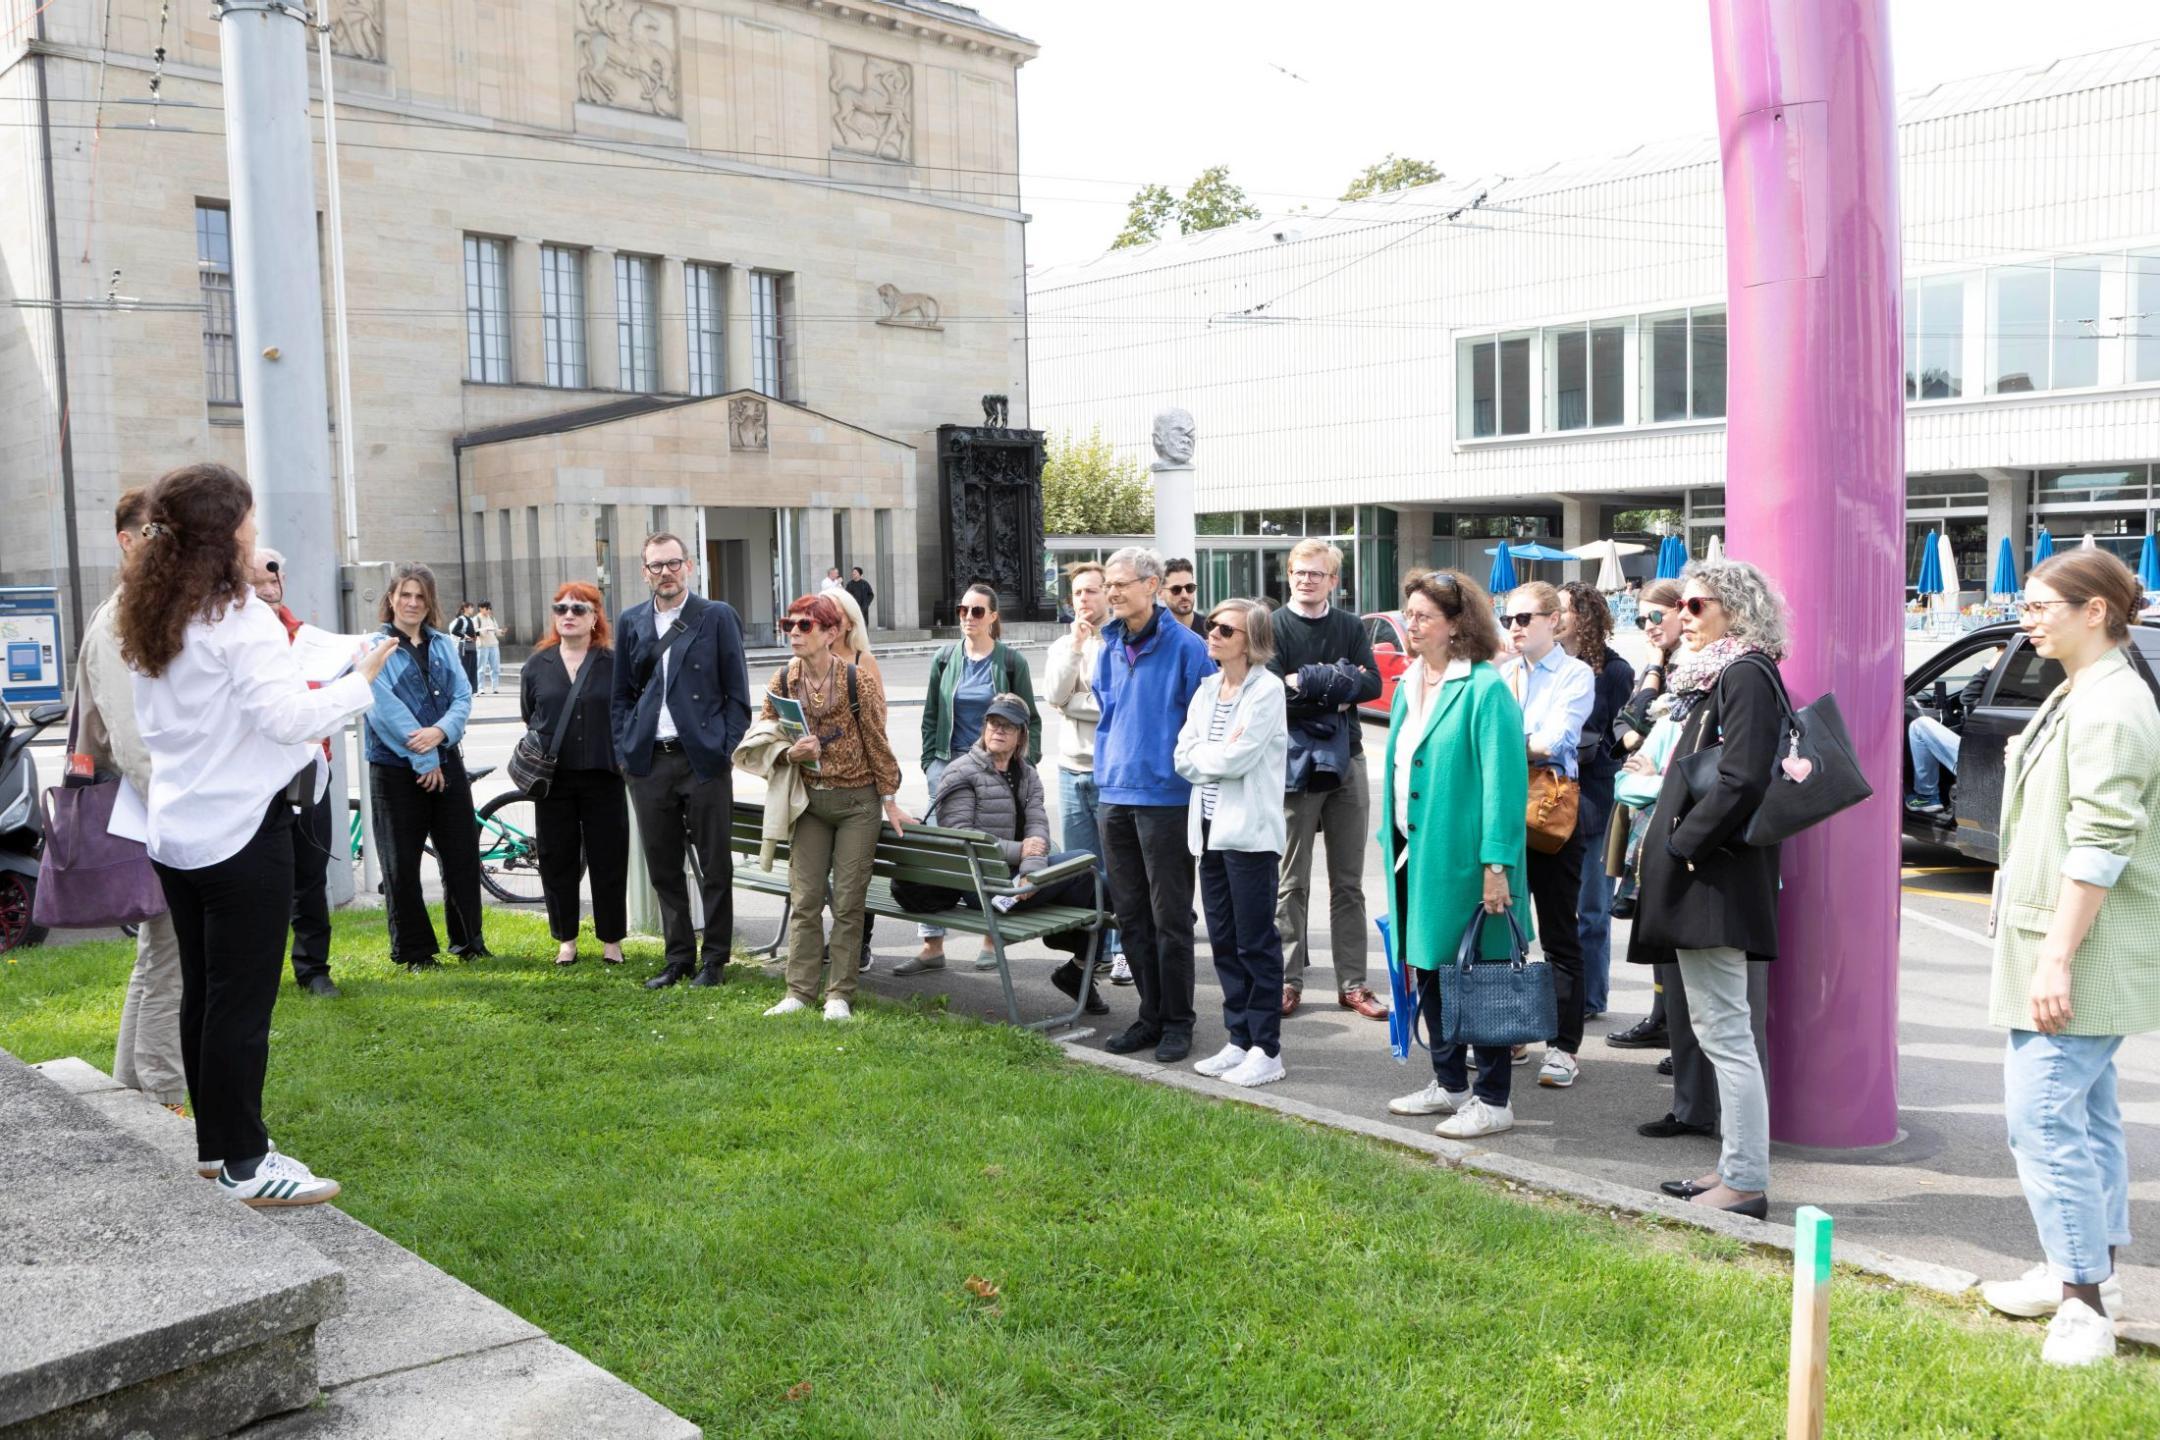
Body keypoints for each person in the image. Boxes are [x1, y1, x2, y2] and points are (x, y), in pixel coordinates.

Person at [119, 462, 388, 1206]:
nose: (256, 531)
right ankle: (243, 1163)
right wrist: (361, 679)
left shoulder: (153, 608)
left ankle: (219, 1147)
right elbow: (287, 719)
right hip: (241, 831)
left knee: (206, 994)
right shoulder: (238, 617)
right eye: (248, 519)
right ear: (224, 531)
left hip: (179, 831)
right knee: (240, 1004)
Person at [1979, 550, 2160, 1367]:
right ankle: (2086, 1276)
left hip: (2077, 946)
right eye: (2025, 605)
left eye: (2040, 605)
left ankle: (2083, 1305)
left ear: (2096, 611)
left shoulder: (2110, 704)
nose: (2027, 620)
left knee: (2045, 1117)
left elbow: (2101, 841)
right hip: (2066, 939)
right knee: (2084, 1114)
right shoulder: (2086, 686)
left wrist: (2056, 959)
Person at [1628, 559, 1790, 1220]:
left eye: (1696, 605)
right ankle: (1733, 1168)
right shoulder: (1718, 673)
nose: (1682, 616)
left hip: (1714, 878)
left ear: (1736, 610)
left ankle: (1745, 1180)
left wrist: (1682, 844)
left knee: (1726, 1032)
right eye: (1682, 605)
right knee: (1719, 1027)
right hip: (1709, 876)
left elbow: (1742, 778)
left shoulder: (1744, 672)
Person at [1379, 570, 1532, 1139]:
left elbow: (1504, 785)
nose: (1411, 625)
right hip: (1416, 854)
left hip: (1468, 862)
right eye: (1409, 614)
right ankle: (1450, 1084)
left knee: (1482, 979)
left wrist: (1497, 866)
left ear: (1456, 625)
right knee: (1430, 969)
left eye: (1424, 617)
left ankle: (1493, 1100)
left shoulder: (1484, 688)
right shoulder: (1411, 679)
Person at [79, 488, 186, 1105]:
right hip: (148, 810)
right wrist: (178, 809)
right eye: (156, 534)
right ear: (127, 541)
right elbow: (129, 738)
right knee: (171, 959)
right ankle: (165, 1095)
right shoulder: (121, 617)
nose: (169, 546)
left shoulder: (133, 609)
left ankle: (130, 1089)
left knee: (158, 954)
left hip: (150, 807)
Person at [612, 532, 754, 990]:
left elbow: (738, 696)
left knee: (715, 866)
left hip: (702, 760)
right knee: (664, 867)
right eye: (656, 565)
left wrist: (721, 747)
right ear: (645, 572)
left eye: (673, 563)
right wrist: (625, 752)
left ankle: (714, 960)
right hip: (649, 762)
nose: (666, 572)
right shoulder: (631, 621)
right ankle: (678, 958)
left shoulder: (716, 616)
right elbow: (621, 696)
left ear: (689, 566)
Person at [897, 694, 1106, 1004]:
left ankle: (1078, 969)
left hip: (1017, 882)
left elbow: (1038, 828)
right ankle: (1078, 968)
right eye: (993, 723)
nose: (998, 730)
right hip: (981, 886)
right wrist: (1019, 852)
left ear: (1021, 735)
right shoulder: (961, 772)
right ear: (984, 728)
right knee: (1089, 870)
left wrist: (1031, 872)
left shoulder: (1027, 774)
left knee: (1101, 886)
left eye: (1008, 726)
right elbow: (960, 837)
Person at [757, 594, 907, 1022]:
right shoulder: (783, 679)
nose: (794, 632)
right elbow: (764, 735)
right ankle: (798, 992)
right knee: (804, 899)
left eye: (805, 625)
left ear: (831, 632)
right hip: (809, 803)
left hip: (857, 803)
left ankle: (839, 994)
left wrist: (890, 799)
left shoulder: (858, 680)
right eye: (789, 624)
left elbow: (878, 743)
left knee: (848, 901)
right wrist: (791, 753)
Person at [1094, 546, 1215, 1062]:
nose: (1112, 592)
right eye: (1108, 584)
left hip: (1167, 798)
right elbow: (1107, 712)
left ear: (1151, 586)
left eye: (1120, 583)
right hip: (1113, 794)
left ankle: (1178, 1022)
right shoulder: (1106, 646)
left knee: (1171, 919)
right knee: (1131, 917)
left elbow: (1204, 723)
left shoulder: (1188, 647)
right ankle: (1149, 1016)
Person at [1270, 538, 1388, 1021]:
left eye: (1316, 573)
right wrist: (1337, 686)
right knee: (1291, 880)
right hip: (1293, 761)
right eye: (1300, 571)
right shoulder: (1272, 625)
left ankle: (1353, 984)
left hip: (1348, 759)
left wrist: (1305, 681)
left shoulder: (1349, 626)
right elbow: (1273, 693)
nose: (1307, 580)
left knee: (1349, 882)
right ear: (1289, 575)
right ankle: (1286, 980)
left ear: (1333, 581)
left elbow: (1372, 684)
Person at [1176, 598, 1290, 1088]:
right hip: (1207, 831)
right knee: (1223, 941)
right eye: (1212, 625)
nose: (1213, 633)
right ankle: (1239, 1039)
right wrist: (1213, 752)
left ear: (1251, 641)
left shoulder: (1267, 690)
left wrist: (1210, 753)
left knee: (1255, 942)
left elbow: (1239, 759)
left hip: (1248, 835)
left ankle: (1267, 1048)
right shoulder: (1207, 689)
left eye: (1226, 629)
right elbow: (1182, 755)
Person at [901, 581, 1040, 974]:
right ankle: (932, 945)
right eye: (963, 610)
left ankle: (991, 938)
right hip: (948, 771)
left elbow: (1031, 720)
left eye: (977, 611)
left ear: (993, 616)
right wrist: (931, 762)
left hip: (995, 771)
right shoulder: (945, 658)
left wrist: (1022, 765)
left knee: (990, 854)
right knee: (937, 856)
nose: (968, 617)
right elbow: (931, 715)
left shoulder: (1011, 662)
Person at [366, 564, 489, 973]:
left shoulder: (442, 644)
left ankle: (469, 942)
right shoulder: (376, 647)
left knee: (461, 855)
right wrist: (424, 757)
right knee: (401, 863)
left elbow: (462, 697)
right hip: (395, 770)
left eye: (420, 596)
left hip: (446, 760)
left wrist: (440, 733)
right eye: (405, 594)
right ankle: (415, 952)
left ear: (430, 602)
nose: (413, 603)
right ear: (391, 598)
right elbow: (383, 709)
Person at [1498, 581, 1595, 1090]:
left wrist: (1503, 744)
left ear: (1553, 620)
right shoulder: (1503, 673)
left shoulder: (1575, 673)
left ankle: (1563, 1047)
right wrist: (1523, 743)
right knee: (1504, 930)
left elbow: (1557, 739)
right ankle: (1512, 1032)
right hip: (1504, 810)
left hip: (1550, 812)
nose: (1513, 627)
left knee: (1559, 932)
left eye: (1524, 618)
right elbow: (1530, 741)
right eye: (1507, 619)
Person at [522, 582, 628, 968]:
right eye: (561, 608)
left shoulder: (613, 664)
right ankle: (565, 940)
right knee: (556, 859)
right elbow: (531, 714)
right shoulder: (538, 665)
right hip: (553, 780)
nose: (568, 615)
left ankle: (611, 940)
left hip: (604, 775)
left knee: (609, 859)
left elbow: (626, 713)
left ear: (595, 617)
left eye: (578, 609)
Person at [248, 546, 339, 998]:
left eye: (273, 579)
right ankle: (256, 970)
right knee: (258, 878)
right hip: (255, 776)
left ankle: (313, 968)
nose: (268, 589)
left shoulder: (305, 636)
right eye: (257, 583)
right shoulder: (237, 637)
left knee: (311, 872)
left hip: (307, 769)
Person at [1606, 578, 1685, 1055]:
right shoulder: (1664, 666)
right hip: (1645, 810)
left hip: (1671, 811)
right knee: (1652, 922)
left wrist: (1644, 740)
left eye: (1656, 616)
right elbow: (1625, 722)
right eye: (1640, 619)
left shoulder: (1695, 668)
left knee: (1672, 925)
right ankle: (1662, 1017)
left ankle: (1680, 1032)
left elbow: (1646, 726)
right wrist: (1654, 666)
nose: (1648, 626)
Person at [1045, 562, 1125, 985]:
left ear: (1107, 594)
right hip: (1069, 769)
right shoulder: (1064, 645)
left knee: (1120, 867)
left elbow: (1114, 705)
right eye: (1077, 592)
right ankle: (1094, 955)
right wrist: (1075, 648)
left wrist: (1073, 704)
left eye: (1091, 591)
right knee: (1083, 870)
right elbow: (1054, 694)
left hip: (1109, 771)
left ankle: (1125, 949)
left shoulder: (1119, 641)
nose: (1083, 599)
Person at [1558, 582, 1634, 1020]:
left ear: (1583, 617)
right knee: (1558, 910)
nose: (1555, 617)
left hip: (1596, 799)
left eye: (1563, 610)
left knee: (1592, 909)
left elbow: (1622, 738)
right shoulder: (1550, 664)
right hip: (1552, 798)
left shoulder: (1616, 671)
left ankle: (1589, 999)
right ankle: (1564, 993)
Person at [825, 584, 884, 969]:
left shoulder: (863, 661)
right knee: (829, 868)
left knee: (855, 869)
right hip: (817, 782)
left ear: (849, 622)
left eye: (833, 615)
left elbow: (879, 724)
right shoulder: (806, 660)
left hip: (859, 781)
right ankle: (839, 940)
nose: (826, 623)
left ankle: (859, 943)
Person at [1904, 651, 1999, 821]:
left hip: (1983, 765)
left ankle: (1927, 796)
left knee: (1920, 726)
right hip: (1996, 763)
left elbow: (1967, 697)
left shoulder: (2011, 693)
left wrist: (1990, 666)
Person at [1162, 558, 1204, 634]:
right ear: (1160, 593)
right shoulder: (1153, 634)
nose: (1185, 595)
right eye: (1176, 589)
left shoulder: (1211, 631)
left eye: (1189, 587)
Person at [448, 600, 480, 691]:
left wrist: (476, 634)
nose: (472, 609)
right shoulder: (462, 619)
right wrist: (464, 636)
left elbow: (472, 632)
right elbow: (454, 631)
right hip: (464, 647)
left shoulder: (470, 619)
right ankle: (465, 689)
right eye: (471, 607)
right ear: (465, 608)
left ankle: (472, 689)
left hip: (472, 645)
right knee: (465, 668)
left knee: (473, 667)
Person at [475, 601, 504, 695]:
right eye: (486, 608)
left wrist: (501, 632)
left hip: (493, 644)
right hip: (482, 645)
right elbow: (475, 632)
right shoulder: (476, 619)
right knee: (481, 668)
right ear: (480, 608)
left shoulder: (491, 618)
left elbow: (496, 630)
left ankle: (495, 687)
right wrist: (485, 629)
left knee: (495, 667)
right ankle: (480, 688)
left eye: (489, 608)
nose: (488, 610)